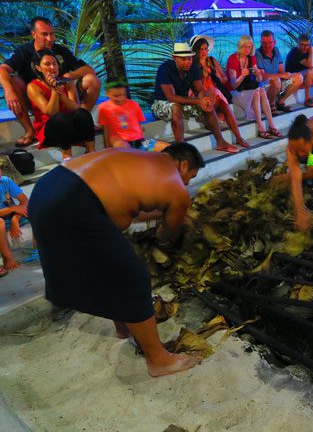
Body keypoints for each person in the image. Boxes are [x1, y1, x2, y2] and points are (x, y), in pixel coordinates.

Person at [28, 112, 204, 376]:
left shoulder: (143, 159)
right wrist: (176, 220)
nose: (187, 183)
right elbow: (168, 234)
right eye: (189, 177)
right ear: (183, 165)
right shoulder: (176, 186)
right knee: (134, 277)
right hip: (73, 204)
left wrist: (160, 213)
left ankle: (124, 326)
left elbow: (125, 205)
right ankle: (158, 360)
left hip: (48, 189)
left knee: (109, 266)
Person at [0, 17, 100, 147]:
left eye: (52, 34)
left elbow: (89, 69)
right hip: (35, 99)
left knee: (92, 80)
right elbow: (3, 69)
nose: (50, 38)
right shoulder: (23, 52)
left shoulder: (61, 51)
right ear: (34, 34)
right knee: (13, 81)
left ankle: (82, 122)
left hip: (63, 97)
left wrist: (67, 76)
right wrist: (8, 91)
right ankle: (30, 131)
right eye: (44, 34)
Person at [152, 42, 239, 153]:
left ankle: (220, 142)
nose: (187, 62)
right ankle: (182, 150)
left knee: (207, 102)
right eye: (183, 59)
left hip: (182, 102)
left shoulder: (192, 67)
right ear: (174, 58)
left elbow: (200, 90)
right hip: (162, 103)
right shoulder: (165, 69)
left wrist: (203, 100)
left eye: (189, 58)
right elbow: (171, 97)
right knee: (176, 106)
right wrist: (198, 100)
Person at [27, 49, 95, 160]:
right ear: (38, 68)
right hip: (51, 131)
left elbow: (75, 108)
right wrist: (55, 92)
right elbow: (50, 113)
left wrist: (61, 93)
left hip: (70, 128)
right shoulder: (33, 87)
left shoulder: (67, 81)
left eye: (54, 63)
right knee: (61, 118)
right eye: (47, 64)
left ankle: (91, 150)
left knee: (82, 113)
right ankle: (67, 155)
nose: (53, 67)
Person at [189, 35, 249, 148]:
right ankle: (213, 123)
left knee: (221, 102)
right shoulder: (193, 64)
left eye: (205, 48)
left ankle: (238, 137)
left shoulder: (211, 61)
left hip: (216, 96)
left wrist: (218, 76)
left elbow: (225, 78)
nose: (204, 51)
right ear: (196, 50)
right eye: (201, 49)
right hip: (202, 97)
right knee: (215, 94)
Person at [227, 35, 282, 140]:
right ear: (240, 46)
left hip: (250, 90)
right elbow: (233, 85)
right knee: (258, 91)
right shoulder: (233, 59)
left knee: (259, 90)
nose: (247, 49)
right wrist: (242, 75)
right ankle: (263, 129)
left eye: (250, 47)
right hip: (236, 92)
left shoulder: (251, 58)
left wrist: (258, 74)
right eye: (245, 47)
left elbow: (258, 80)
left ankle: (270, 126)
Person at [98, 81, 171, 151]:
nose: (120, 98)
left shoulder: (134, 105)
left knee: (169, 148)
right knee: (124, 147)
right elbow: (106, 131)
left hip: (139, 142)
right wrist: (108, 150)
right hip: (120, 142)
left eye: (123, 95)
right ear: (107, 93)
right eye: (116, 96)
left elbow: (139, 127)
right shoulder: (104, 108)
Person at [255, 30, 303, 114]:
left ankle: (280, 102)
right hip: (266, 87)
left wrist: (282, 78)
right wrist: (280, 76)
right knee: (276, 80)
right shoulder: (257, 53)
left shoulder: (276, 50)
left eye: (270, 42)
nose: (267, 45)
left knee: (298, 77)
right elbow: (262, 76)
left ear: (274, 42)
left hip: (279, 85)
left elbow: (281, 69)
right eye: (264, 43)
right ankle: (271, 104)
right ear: (260, 42)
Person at [0, 164, 29, 277]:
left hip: (8, 214)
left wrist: (15, 219)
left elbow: (24, 201)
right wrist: (12, 208)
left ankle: (40, 250)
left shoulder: (5, 181)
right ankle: (8, 258)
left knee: (36, 209)